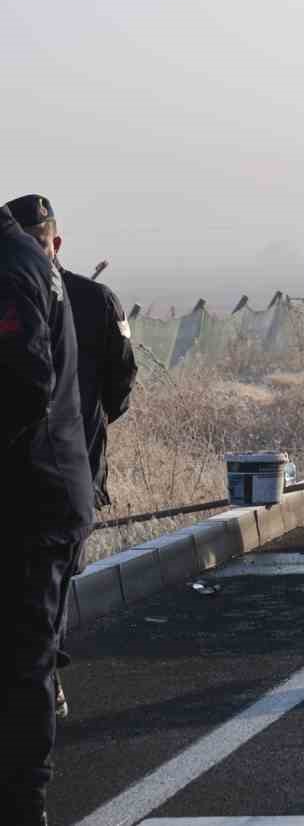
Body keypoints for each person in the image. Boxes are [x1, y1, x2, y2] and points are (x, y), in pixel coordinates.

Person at [6, 194, 138, 722]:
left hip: (72, 466)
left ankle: (43, 676)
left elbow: (120, 383)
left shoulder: (95, 301)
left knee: (53, 583)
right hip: (45, 474)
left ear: (55, 243)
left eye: (41, 244)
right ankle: (43, 674)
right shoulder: (33, 294)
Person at [1, 200, 94, 825]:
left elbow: (23, 386)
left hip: (31, 502)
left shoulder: (10, 269)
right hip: (36, 492)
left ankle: (22, 806)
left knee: (21, 662)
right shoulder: (22, 261)